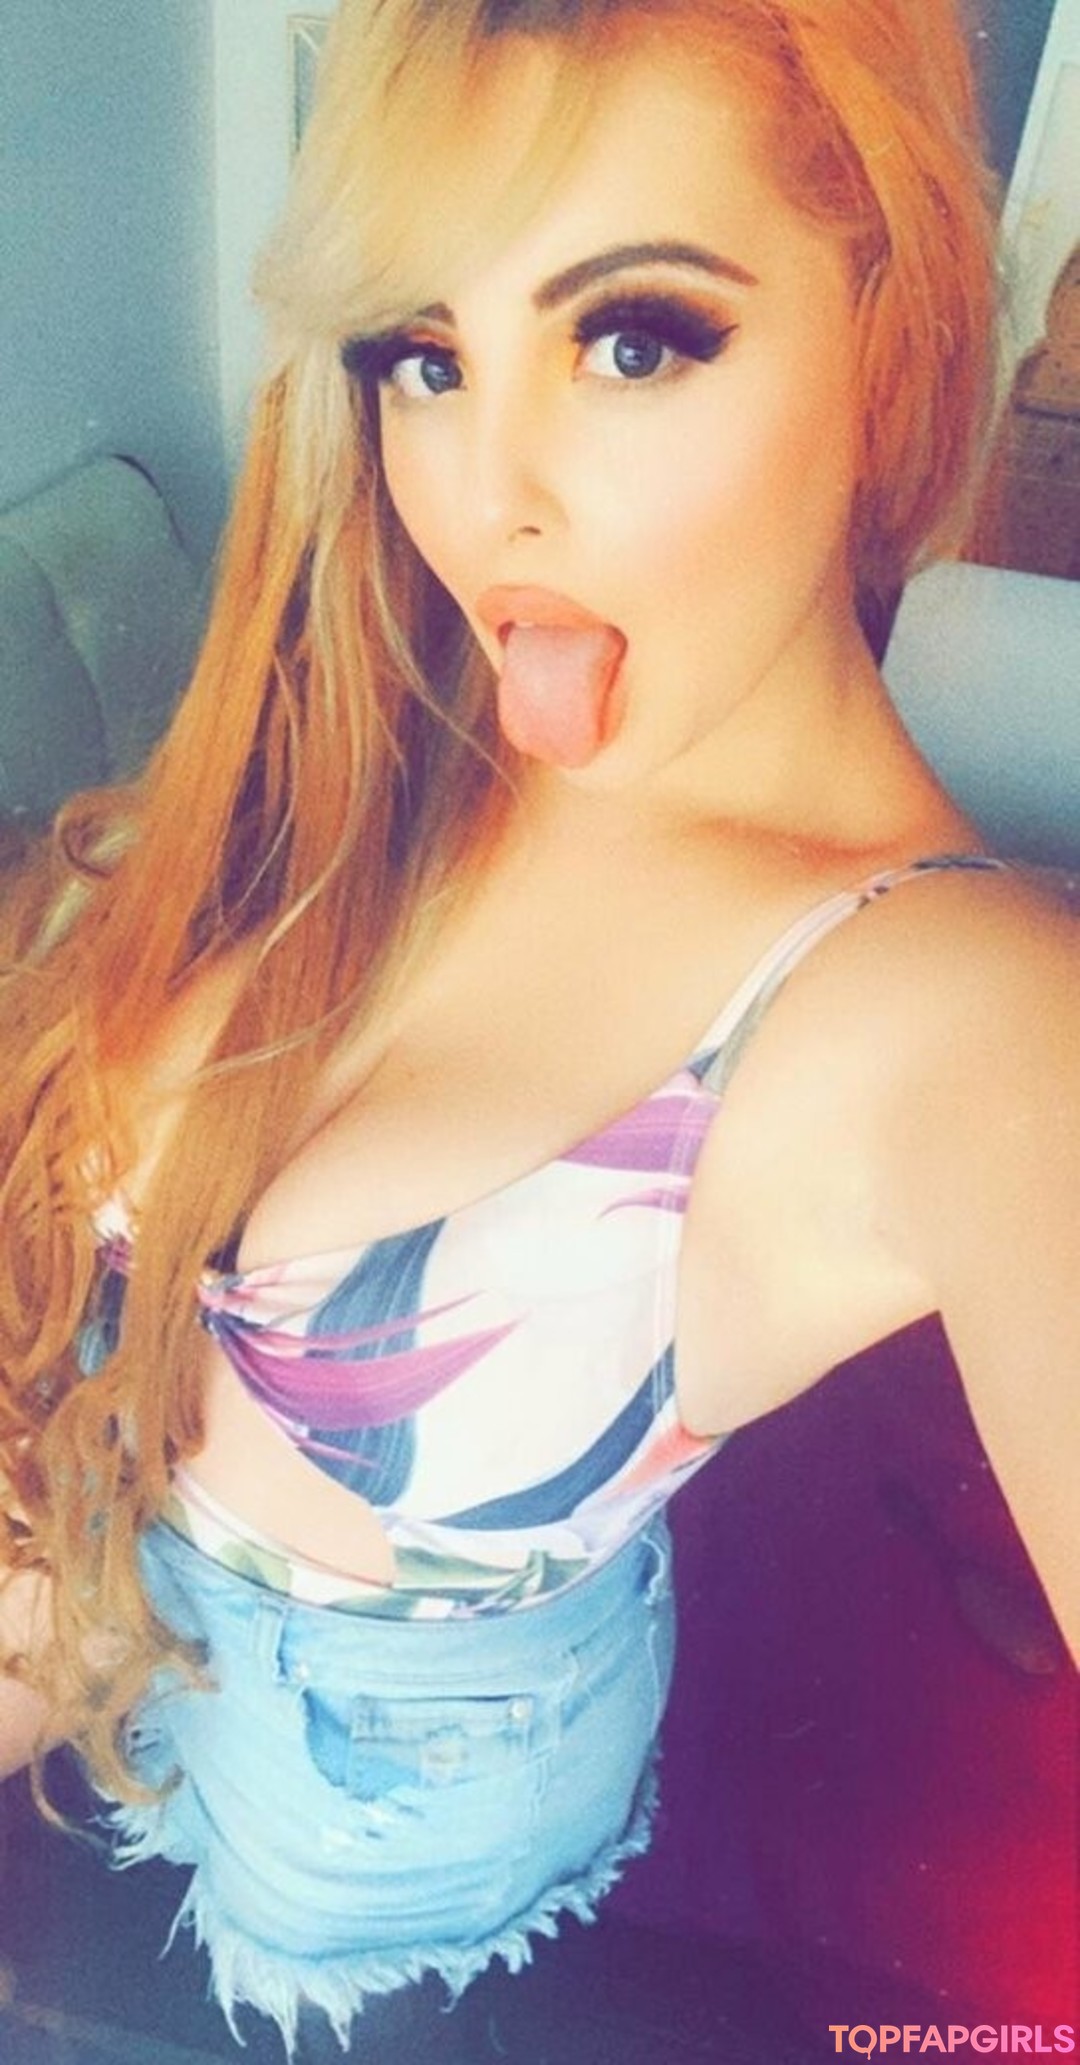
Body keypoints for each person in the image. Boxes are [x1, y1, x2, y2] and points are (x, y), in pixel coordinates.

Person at [1, 0, 1077, 2052]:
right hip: (103, 1742)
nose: (485, 495)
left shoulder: (970, 1016)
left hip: (391, 1930)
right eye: (426, 355)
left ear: (889, 328)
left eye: (634, 339)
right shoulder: (380, 740)